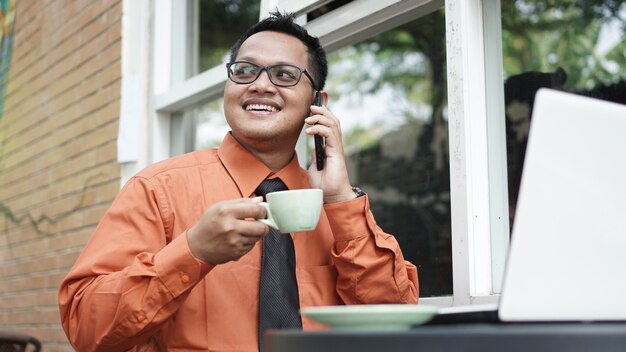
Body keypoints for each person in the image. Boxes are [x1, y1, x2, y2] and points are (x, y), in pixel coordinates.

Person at [59, 11, 419, 352]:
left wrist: (340, 198)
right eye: (245, 71)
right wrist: (191, 252)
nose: (260, 85)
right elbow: (85, 329)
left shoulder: (338, 208)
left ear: (317, 102)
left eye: (284, 74)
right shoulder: (157, 189)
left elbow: (399, 328)